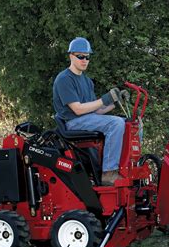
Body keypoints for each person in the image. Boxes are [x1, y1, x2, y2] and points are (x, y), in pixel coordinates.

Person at [53, 37, 125, 186]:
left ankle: (125, 169)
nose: (84, 60)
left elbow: (97, 111)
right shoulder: (64, 79)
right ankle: (109, 173)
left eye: (87, 57)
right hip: (72, 122)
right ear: (71, 56)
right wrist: (104, 99)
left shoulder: (87, 81)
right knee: (116, 123)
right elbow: (78, 109)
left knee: (131, 124)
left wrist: (115, 103)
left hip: (88, 119)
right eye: (80, 56)